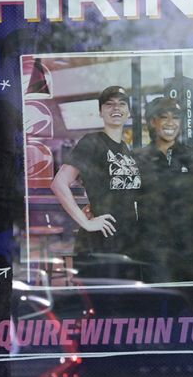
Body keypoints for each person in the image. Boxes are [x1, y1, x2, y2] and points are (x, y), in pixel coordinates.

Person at [51, 85, 142, 274]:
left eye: (121, 104)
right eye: (109, 104)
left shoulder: (125, 148)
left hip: (126, 242)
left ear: (128, 112)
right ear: (100, 112)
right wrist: (86, 223)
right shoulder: (92, 142)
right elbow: (59, 183)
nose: (116, 108)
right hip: (100, 243)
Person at [134, 96, 193, 281]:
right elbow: (124, 198)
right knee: (158, 302)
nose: (171, 123)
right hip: (153, 246)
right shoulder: (137, 159)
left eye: (176, 117)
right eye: (164, 117)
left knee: (189, 303)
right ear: (152, 121)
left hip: (189, 244)